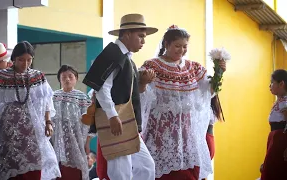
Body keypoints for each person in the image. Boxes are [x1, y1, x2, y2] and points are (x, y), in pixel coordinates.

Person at [139, 25, 226, 180]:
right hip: (161, 131)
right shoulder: (152, 66)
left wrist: (219, 72)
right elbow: (141, 95)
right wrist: (144, 83)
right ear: (166, 44)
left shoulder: (193, 67)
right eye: (177, 46)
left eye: (185, 46)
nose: (181, 50)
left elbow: (209, 92)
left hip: (186, 131)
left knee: (188, 172)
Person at [83, 13, 157, 180]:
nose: (143, 41)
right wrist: (112, 116)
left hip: (126, 120)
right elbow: (102, 89)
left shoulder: (126, 58)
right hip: (116, 120)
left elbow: (123, 91)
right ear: (127, 34)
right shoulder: (113, 54)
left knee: (146, 166)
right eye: (140, 36)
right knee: (120, 172)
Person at [0, 41, 61, 180]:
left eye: (29, 60)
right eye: (21, 60)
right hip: (8, 131)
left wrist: (48, 121)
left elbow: (46, 100)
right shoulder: (0, 78)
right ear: (13, 59)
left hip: (32, 130)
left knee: (34, 164)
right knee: (11, 167)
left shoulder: (38, 77)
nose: (25, 64)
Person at [52, 65, 91, 180]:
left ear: (76, 79)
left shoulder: (83, 98)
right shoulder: (53, 97)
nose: (67, 79)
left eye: (70, 76)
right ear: (59, 79)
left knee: (75, 172)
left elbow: (88, 122)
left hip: (77, 141)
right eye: (64, 77)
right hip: (57, 141)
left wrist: (87, 142)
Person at [260, 69, 287, 180]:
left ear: (281, 84)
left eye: (272, 82)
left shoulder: (285, 102)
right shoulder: (280, 101)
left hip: (281, 139)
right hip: (274, 139)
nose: (269, 86)